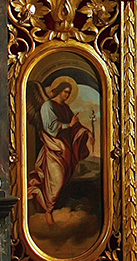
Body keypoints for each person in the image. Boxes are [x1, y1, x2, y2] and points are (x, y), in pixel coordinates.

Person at [29, 78, 93, 225]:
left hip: (64, 150)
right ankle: (48, 212)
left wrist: (86, 131)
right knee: (55, 181)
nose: (67, 95)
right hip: (53, 149)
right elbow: (50, 127)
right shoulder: (47, 106)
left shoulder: (65, 108)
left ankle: (51, 210)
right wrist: (68, 126)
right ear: (58, 90)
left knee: (61, 180)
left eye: (69, 93)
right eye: (65, 92)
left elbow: (75, 125)